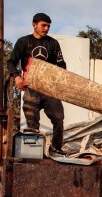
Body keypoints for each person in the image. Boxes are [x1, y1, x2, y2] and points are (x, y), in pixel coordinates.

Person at [6, 12, 68, 156]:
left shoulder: (53, 43)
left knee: (58, 118)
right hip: (31, 88)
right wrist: (16, 77)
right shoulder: (23, 42)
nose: (46, 28)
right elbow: (11, 62)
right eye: (43, 25)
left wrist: (61, 76)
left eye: (48, 26)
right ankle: (35, 153)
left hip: (48, 89)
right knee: (32, 124)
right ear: (34, 25)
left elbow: (61, 64)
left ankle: (56, 149)